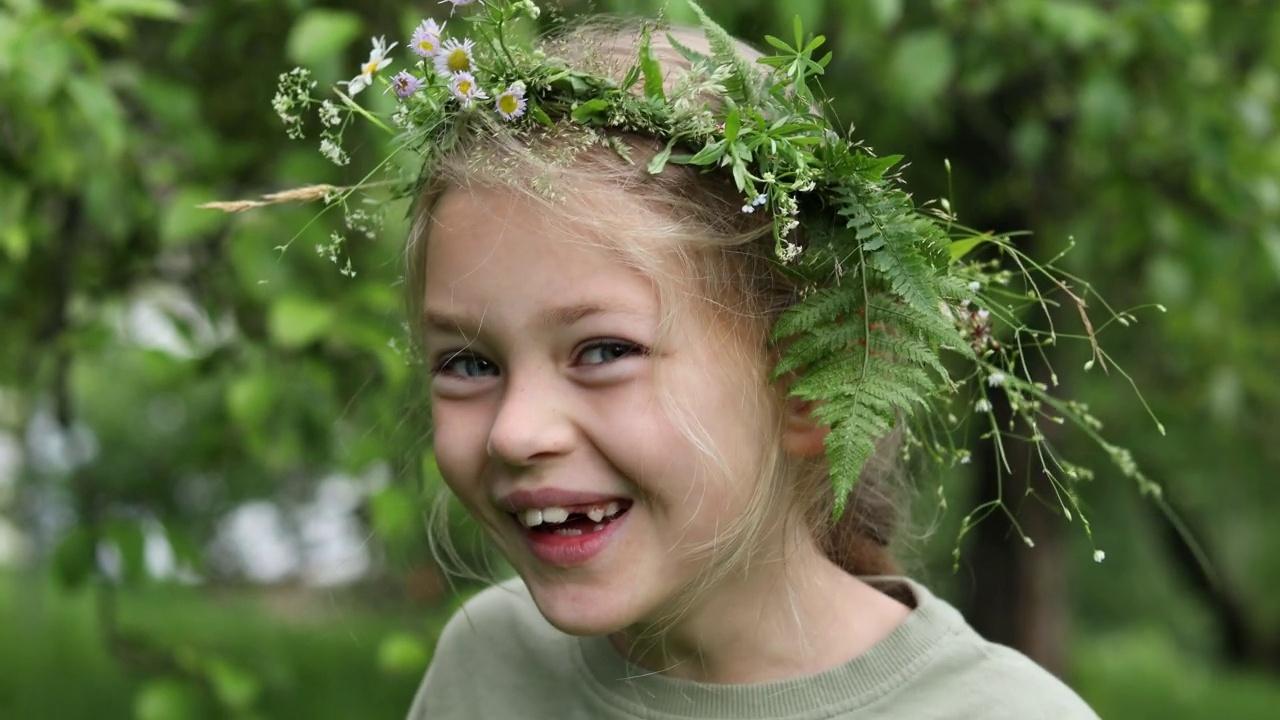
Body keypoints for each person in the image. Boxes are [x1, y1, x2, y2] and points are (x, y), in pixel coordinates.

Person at [232, 1, 1110, 717]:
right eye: (468, 363)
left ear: (807, 379)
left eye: (603, 350)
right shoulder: (488, 666)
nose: (516, 431)